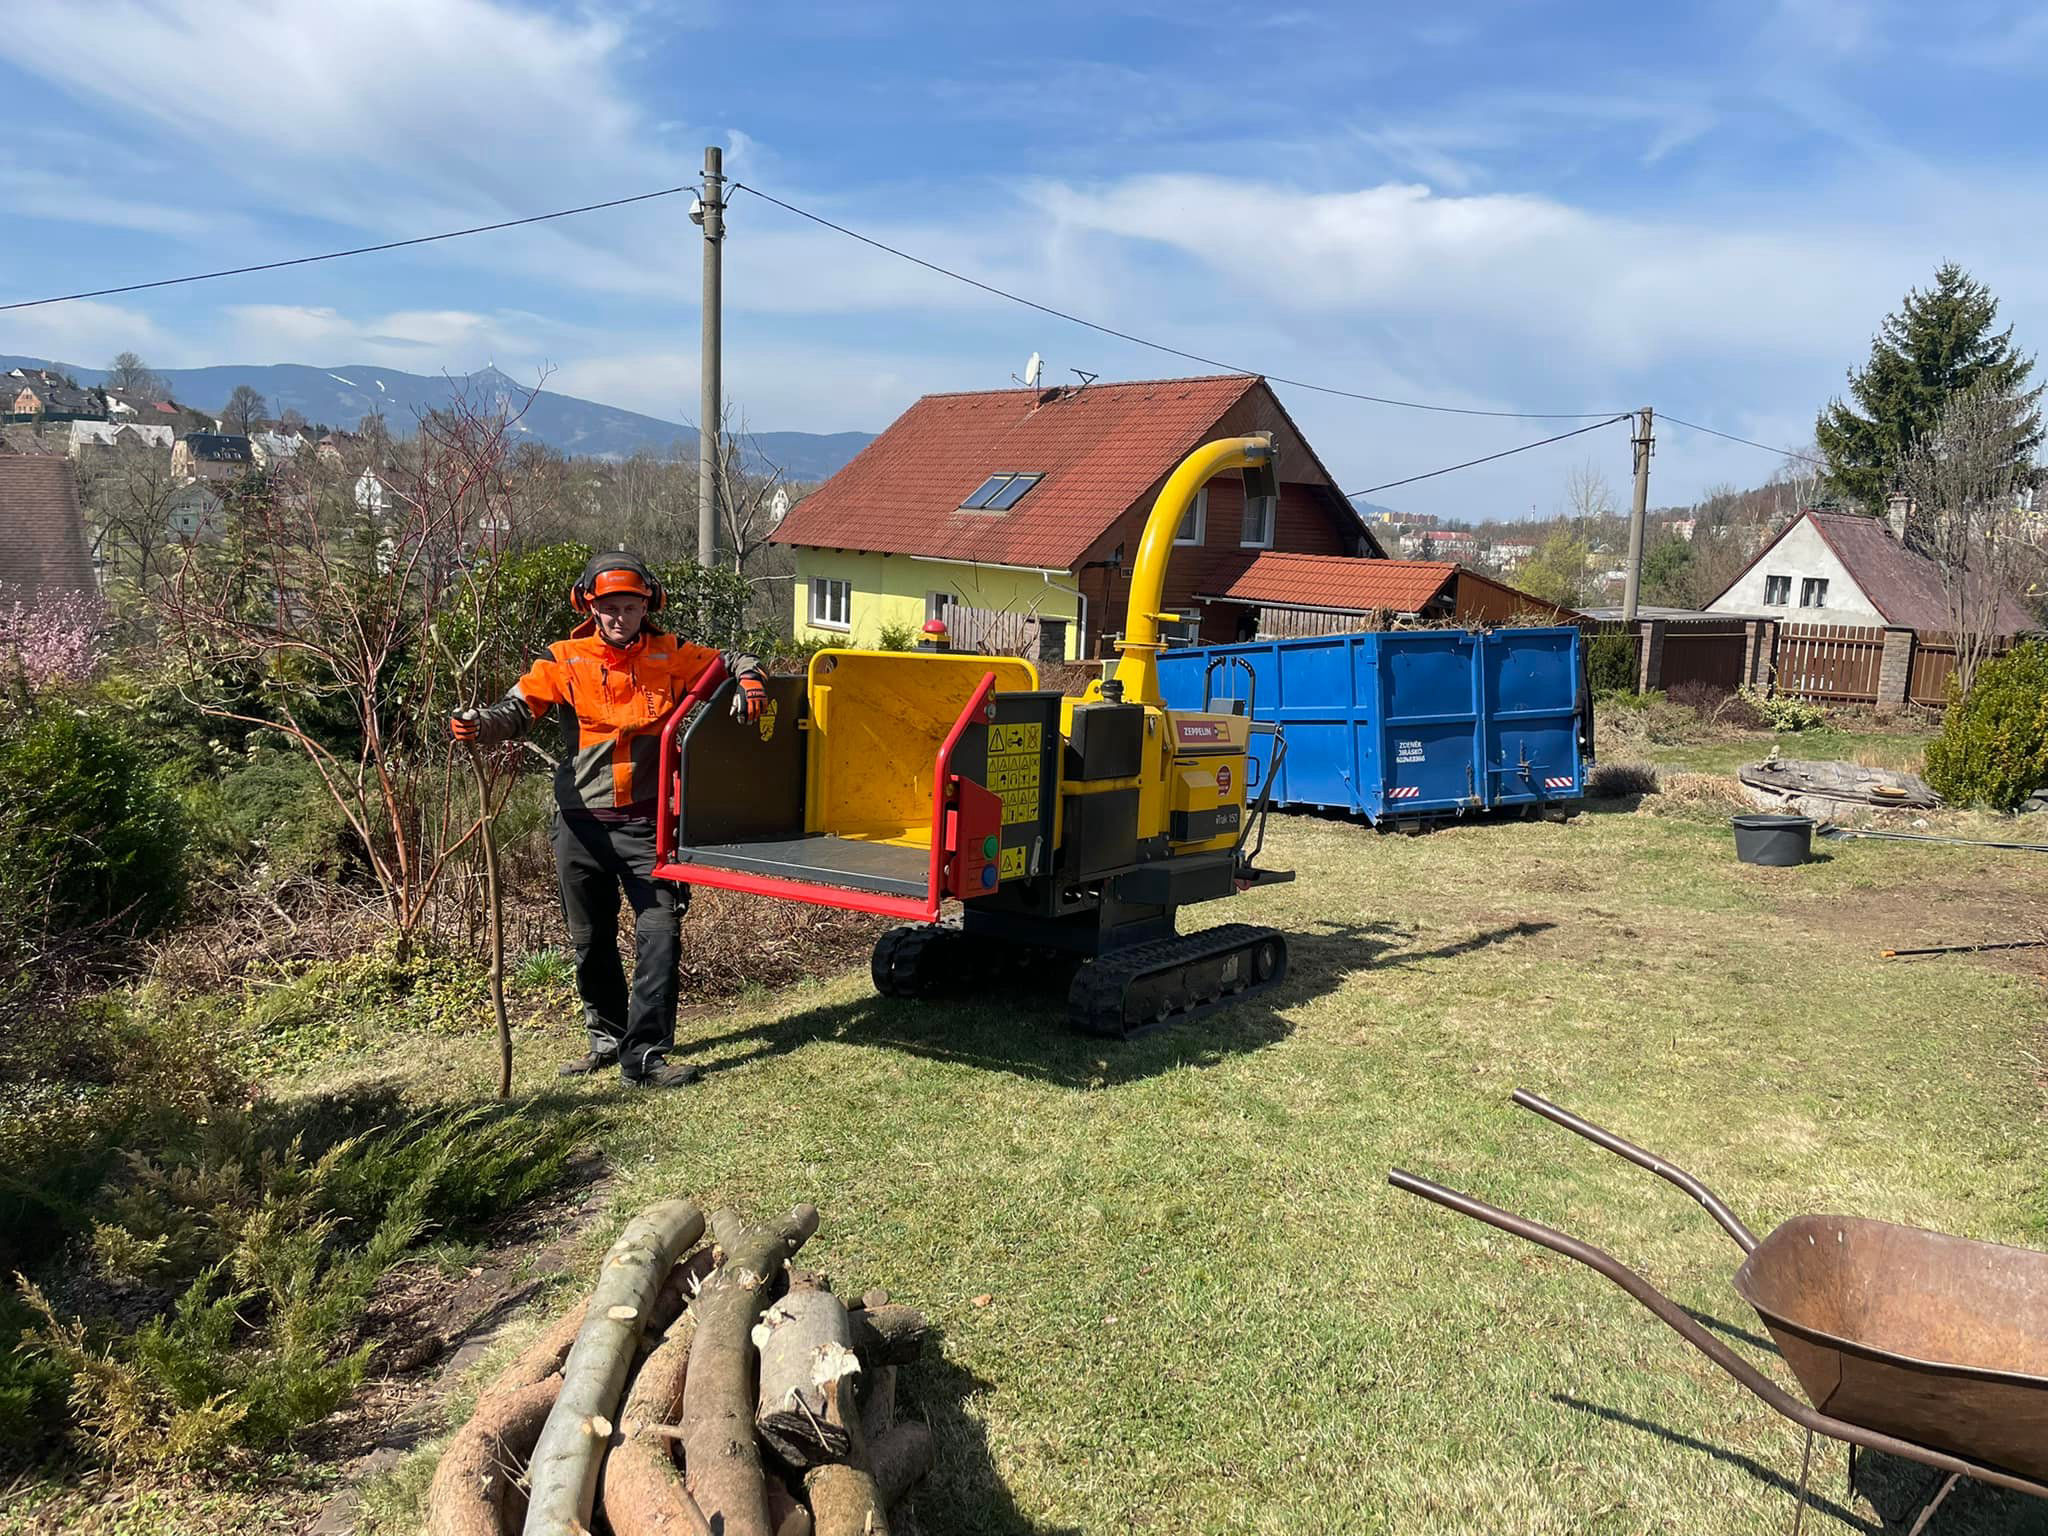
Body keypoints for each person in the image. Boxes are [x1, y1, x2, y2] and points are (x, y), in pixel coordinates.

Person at [452, 551, 768, 1088]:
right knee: (590, 937)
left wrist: (751, 681)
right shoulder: (564, 658)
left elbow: (733, 659)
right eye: (608, 608)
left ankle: (643, 1056)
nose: (619, 617)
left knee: (660, 929)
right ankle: (607, 1037)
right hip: (579, 822)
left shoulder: (673, 654)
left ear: (648, 606)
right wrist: (480, 725)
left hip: (647, 823)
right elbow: (517, 709)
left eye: (629, 606)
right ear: (589, 609)